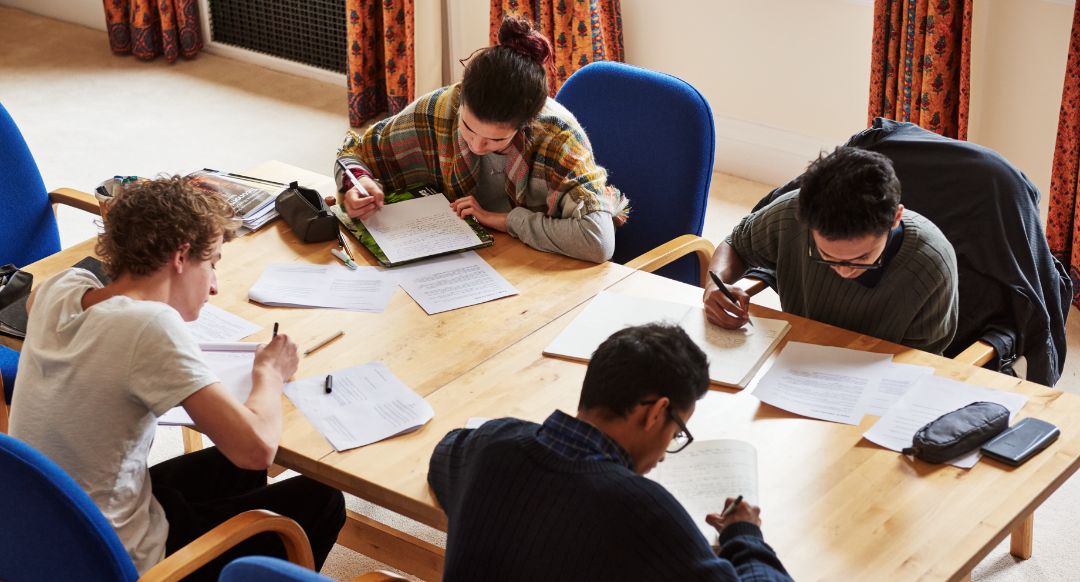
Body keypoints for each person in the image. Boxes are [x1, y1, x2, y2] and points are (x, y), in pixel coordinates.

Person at [9, 177, 345, 580]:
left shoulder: (60, 289)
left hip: (50, 526)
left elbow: (40, 301)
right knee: (321, 498)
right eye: (213, 263)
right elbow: (257, 450)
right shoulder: (150, 325)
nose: (216, 286)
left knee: (232, 471)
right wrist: (269, 373)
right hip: (120, 560)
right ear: (182, 256)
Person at [428, 323, 792, 581]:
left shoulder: (492, 442)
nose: (664, 454)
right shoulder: (643, 509)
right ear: (653, 413)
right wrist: (743, 535)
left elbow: (444, 454)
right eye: (676, 431)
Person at [332, 17, 628, 264]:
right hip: (457, 259)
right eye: (468, 128)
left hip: (532, 265)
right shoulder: (443, 108)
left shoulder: (556, 137)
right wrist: (358, 184)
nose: (476, 146)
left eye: (495, 140)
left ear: (526, 124)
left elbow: (598, 242)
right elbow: (355, 155)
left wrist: (504, 220)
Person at [704, 147, 958, 354]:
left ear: (895, 218)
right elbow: (736, 244)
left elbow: (922, 362)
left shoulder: (931, 264)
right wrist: (715, 285)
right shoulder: (792, 215)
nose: (844, 271)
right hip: (797, 356)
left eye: (862, 258)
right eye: (828, 257)